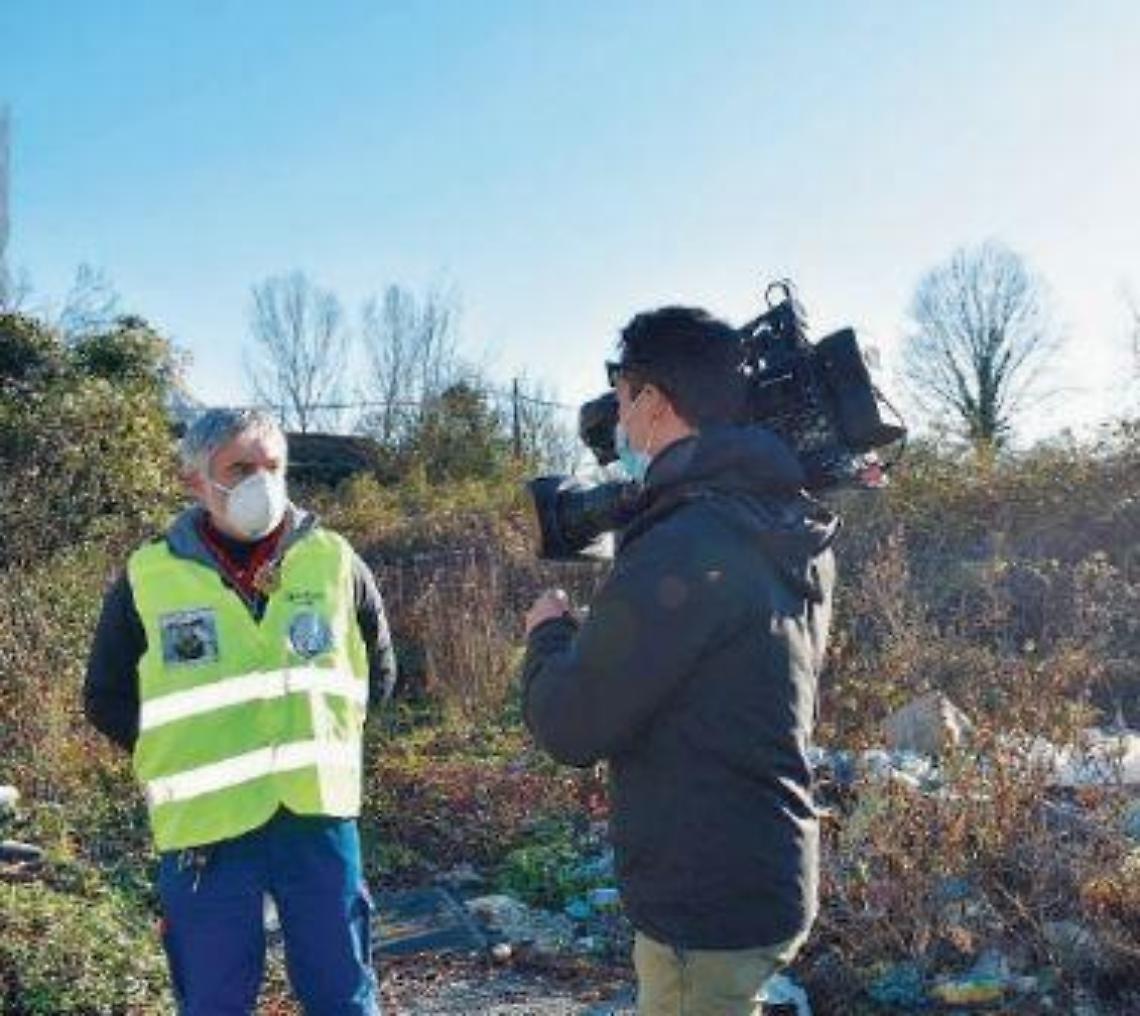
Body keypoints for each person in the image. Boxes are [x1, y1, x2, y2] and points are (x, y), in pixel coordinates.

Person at [521, 307, 837, 1016]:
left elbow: (572, 723)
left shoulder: (688, 540)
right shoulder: (787, 520)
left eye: (623, 398)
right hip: (767, 864)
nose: (617, 424)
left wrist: (548, 636)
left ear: (653, 401)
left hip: (706, 900)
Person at [85, 407, 396, 1016]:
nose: (263, 482)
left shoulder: (333, 560)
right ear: (195, 481)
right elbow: (105, 697)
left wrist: (324, 740)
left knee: (344, 997)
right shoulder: (149, 575)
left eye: (273, 466)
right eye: (241, 468)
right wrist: (186, 753)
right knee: (215, 1001)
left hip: (317, 819)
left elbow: (377, 674)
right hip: (207, 834)